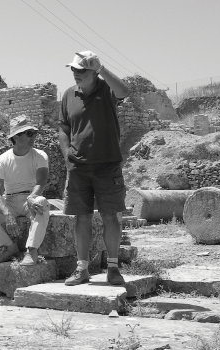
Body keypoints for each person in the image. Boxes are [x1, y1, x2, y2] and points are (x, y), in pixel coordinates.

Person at [58, 51, 130, 286]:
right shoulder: (68, 94)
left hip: (107, 165)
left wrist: (102, 70)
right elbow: (64, 128)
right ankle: (82, 269)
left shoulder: (106, 89)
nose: (75, 74)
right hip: (78, 166)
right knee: (82, 217)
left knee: (111, 216)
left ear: (93, 71)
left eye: (80, 70)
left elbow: (124, 92)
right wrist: (66, 155)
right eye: (73, 70)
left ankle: (112, 268)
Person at [0, 115, 50, 265]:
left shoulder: (40, 155)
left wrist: (32, 196)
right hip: (9, 200)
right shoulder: (2, 160)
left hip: (31, 198)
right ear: (16, 137)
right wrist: (6, 213)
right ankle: (10, 247)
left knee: (41, 203)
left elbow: (41, 181)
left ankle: (31, 250)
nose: (33, 137)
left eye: (34, 133)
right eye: (29, 133)